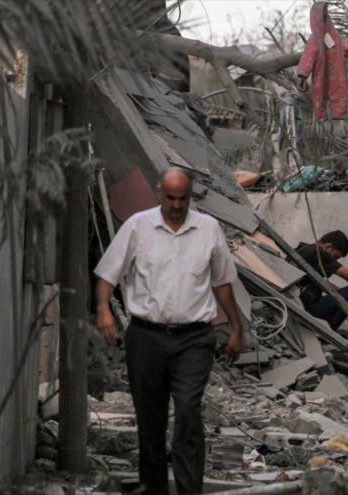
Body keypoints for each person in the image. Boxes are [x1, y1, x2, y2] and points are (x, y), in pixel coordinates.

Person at [93, 168, 244, 494]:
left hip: (194, 339)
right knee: (151, 420)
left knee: (188, 412)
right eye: (171, 198)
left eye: (183, 198)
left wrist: (237, 328)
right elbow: (107, 274)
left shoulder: (208, 229)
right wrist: (103, 308)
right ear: (159, 192)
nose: (177, 205)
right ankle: (154, 489)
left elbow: (222, 283)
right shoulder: (137, 226)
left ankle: (190, 490)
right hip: (146, 337)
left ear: (190, 196)